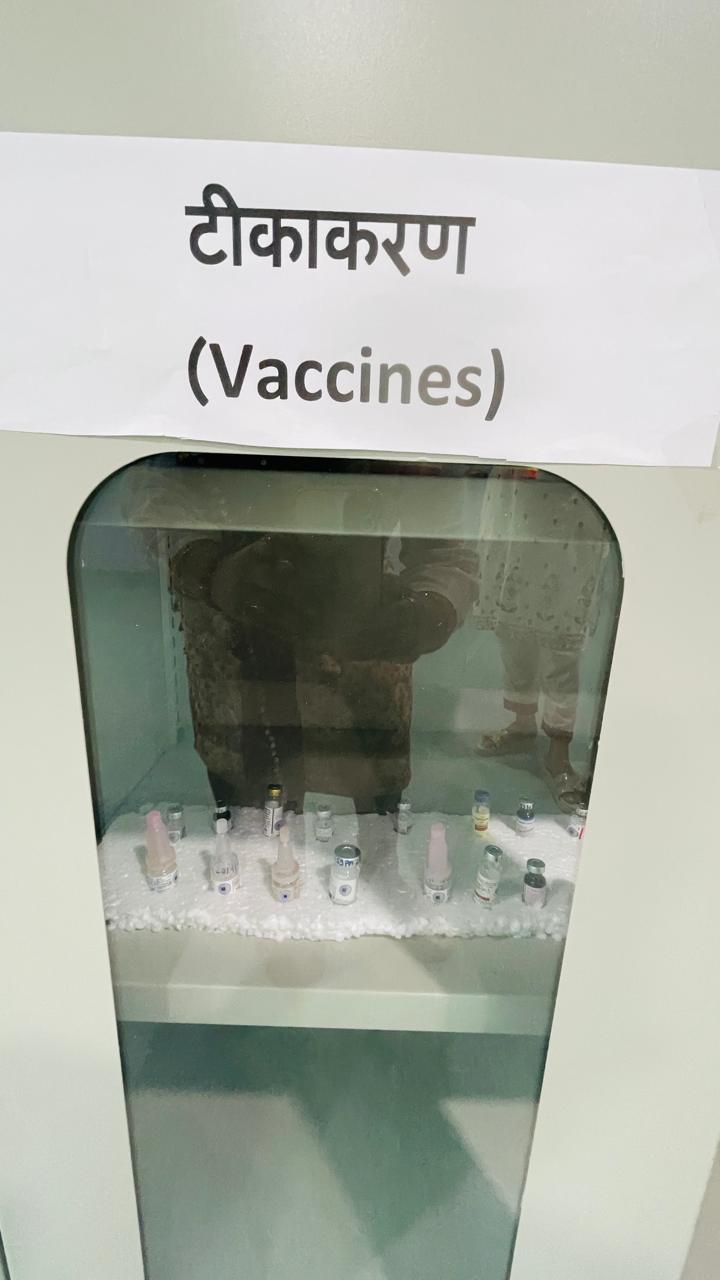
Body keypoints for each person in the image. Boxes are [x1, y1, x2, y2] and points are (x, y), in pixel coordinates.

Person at [125, 459, 478, 813]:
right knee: (247, 822)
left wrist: (428, 613)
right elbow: (154, 488)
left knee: (376, 823)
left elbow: (443, 543)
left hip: (361, 649)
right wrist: (207, 567)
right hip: (238, 648)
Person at [474, 467, 611, 811]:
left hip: (571, 494)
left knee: (562, 639)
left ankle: (558, 753)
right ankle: (522, 726)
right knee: (510, 624)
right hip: (516, 496)